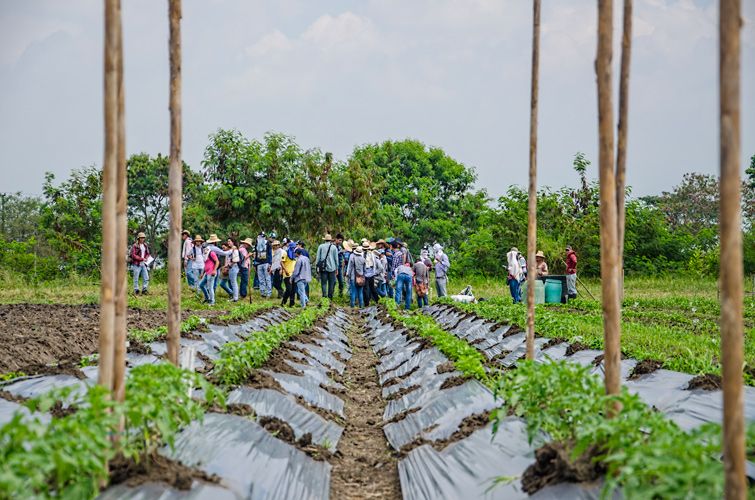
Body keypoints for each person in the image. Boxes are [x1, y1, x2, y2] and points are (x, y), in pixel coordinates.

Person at [315, 233, 339, 299]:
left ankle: (324, 297)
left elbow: (318, 258)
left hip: (323, 268)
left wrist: (317, 267)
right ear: (330, 240)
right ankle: (330, 298)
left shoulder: (321, 246)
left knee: (324, 283)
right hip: (332, 268)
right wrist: (337, 269)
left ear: (325, 240)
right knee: (331, 284)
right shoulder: (334, 247)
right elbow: (336, 259)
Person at [393, 242, 414, 310]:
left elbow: (403, 257)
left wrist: (402, 264)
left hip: (401, 272)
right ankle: (407, 308)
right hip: (409, 273)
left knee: (398, 290)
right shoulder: (408, 251)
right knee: (408, 291)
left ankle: (396, 305)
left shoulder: (402, 250)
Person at [363, 242, 381, 306]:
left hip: (365, 274)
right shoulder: (372, 255)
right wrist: (374, 272)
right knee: (372, 288)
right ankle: (377, 301)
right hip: (371, 274)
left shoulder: (362, 254)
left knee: (366, 289)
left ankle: (366, 304)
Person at [256, 233, 273, 298]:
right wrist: (255, 263)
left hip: (266, 263)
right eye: (259, 236)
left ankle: (269, 293)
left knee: (267, 278)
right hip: (259, 263)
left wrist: (270, 264)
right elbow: (256, 253)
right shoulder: (257, 244)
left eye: (261, 236)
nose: (259, 237)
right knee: (261, 279)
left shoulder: (268, 243)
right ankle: (263, 292)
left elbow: (270, 254)